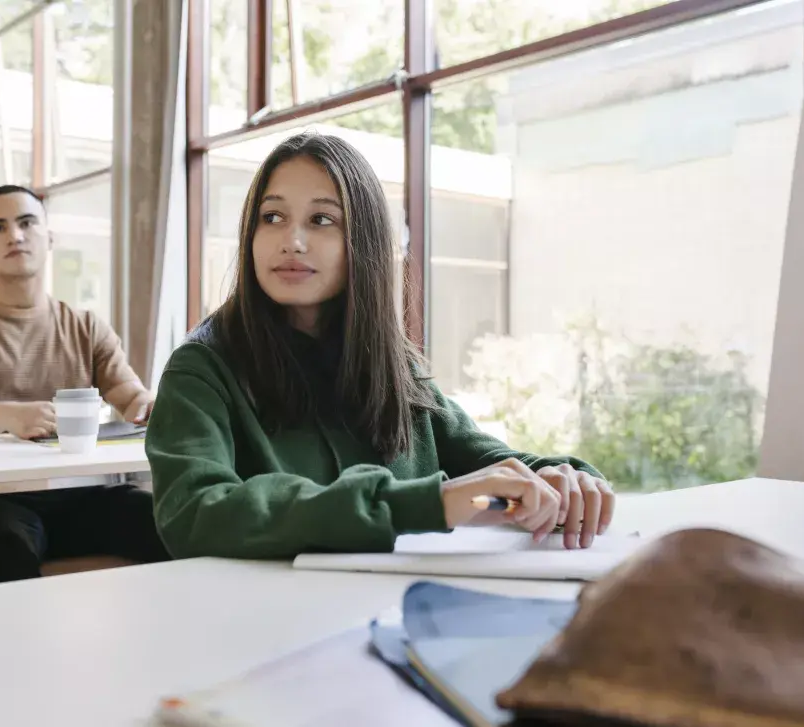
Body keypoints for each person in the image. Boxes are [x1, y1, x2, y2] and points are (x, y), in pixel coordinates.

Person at [146, 133, 615, 560]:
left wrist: (559, 480)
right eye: (273, 217)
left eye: (321, 220)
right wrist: (427, 504)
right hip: (263, 615)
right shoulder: (201, 369)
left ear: (363, 241)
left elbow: (486, 468)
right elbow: (193, 514)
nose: (292, 241)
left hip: (403, 607)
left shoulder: (394, 365)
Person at [0, 184, 169, 585]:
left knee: (171, 524)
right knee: (2, 545)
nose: (14, 235)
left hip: (81, 496)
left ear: (49, 238)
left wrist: (148, 405)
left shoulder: (86, 327)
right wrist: (6, 415)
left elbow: (130, 395)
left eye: (27, 223)